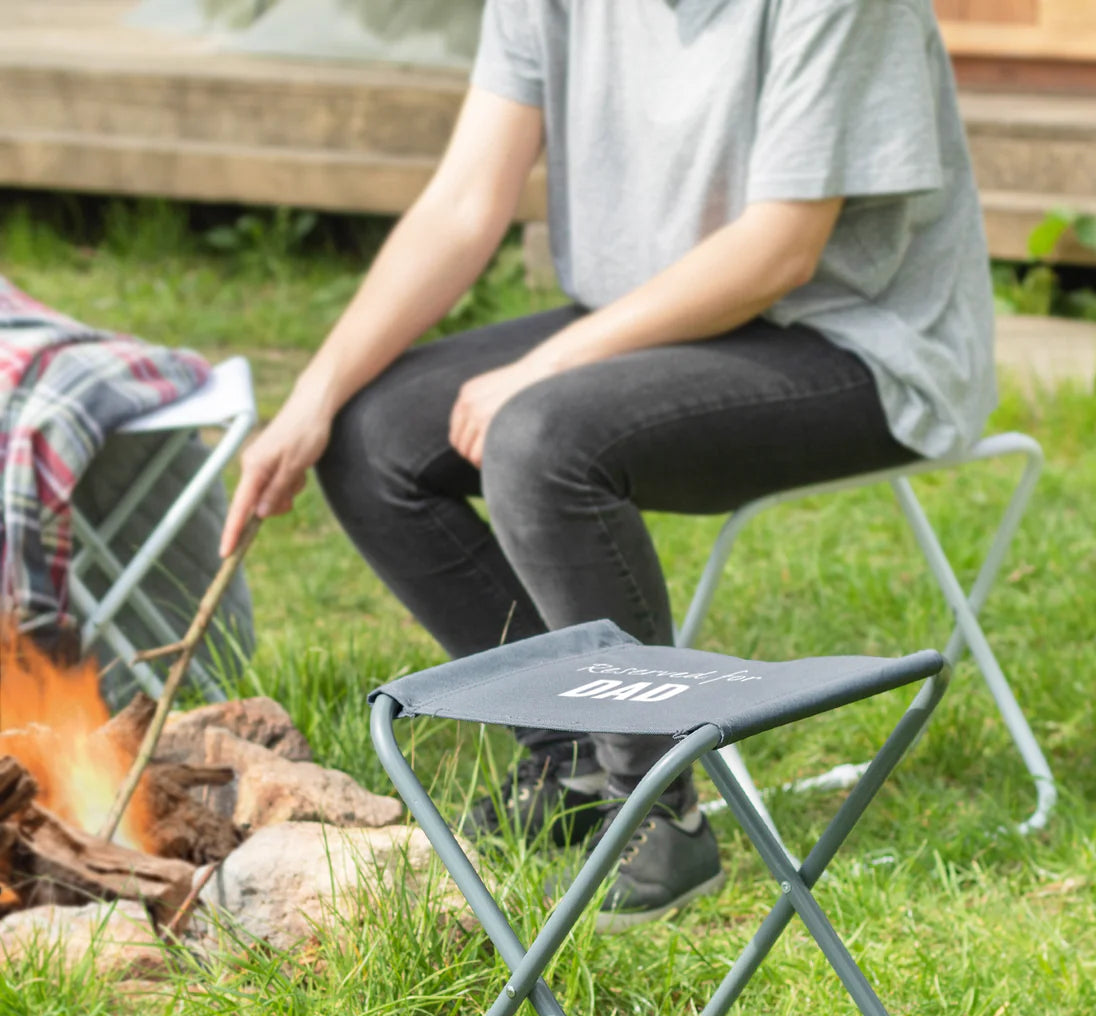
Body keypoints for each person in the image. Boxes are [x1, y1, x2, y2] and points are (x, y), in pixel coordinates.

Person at [221, 0, 996, 932]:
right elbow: (467, 202)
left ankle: (656, 812)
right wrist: (314, 393)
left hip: (855, 343)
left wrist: (546, 366)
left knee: (539, 435)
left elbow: (780, 249)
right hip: (653, 319)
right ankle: (571, 762)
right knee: (369, 434)